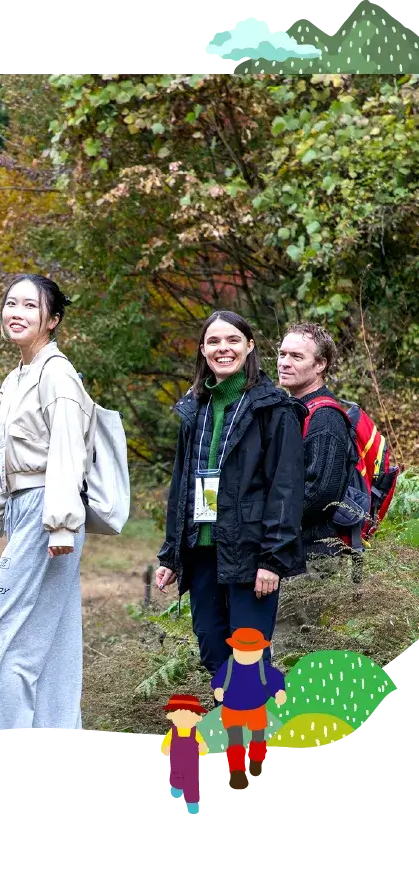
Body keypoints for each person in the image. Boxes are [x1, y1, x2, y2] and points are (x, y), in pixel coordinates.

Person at [0, 273, 95, 733]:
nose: (16, 313)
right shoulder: (16, 377)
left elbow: (67, 452)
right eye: (11, 303)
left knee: (2, 630)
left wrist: (60, 523)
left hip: (49, 511)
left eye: (29, 306)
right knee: (50, 638)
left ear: (52, 319)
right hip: (26, 508)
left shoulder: (57, 375)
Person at [155, 311, 307, 677]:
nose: (223, 348)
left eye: (233, 340)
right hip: (202, 550)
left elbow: (285, 489)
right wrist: (171, 555)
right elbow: (181, 485)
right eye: (214, 341)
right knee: (211, 649)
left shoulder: (274, 409)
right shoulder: (195, 408)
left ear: (250, 346)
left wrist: (272, 560)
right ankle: (228, 712)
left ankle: (251, 715)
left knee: (248, 655)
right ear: (203, 350)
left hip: (251, 551)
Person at [277, 323, 351, 560]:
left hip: (315, 557)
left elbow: (320, 494)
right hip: (294, 550)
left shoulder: (325, 418)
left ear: (320, 364)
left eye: (296, 356)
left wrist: (271, 521)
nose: (284, 362)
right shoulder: (296, 409)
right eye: (282, 354)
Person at [211, 627, 286, 791]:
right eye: (242, 651)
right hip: (232, 709)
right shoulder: (229, 666)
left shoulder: (262, 667)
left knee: (258, 737)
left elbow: (275, 679)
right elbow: (218, 681)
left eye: (252, 651)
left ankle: (256, 762)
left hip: (256, 709)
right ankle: (237, 771)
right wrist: (218, 690)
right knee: (235, 740)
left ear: (260, 651)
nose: (247, 655)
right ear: (234, 649)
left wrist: (279, 692)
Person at [159, 694, 208, 816]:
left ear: (197, 718)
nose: (184, 719)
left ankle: (192, 804)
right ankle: (176, 790)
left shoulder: (195, 732)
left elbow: (202, 743)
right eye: (180, 716)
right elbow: (165, 742)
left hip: (192, 763)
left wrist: (203, 749)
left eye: (189, 716)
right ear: (171, 716)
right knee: (175, 776)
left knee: (192, 782)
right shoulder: (173, 732)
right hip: (176, 761)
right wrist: (165, 748)